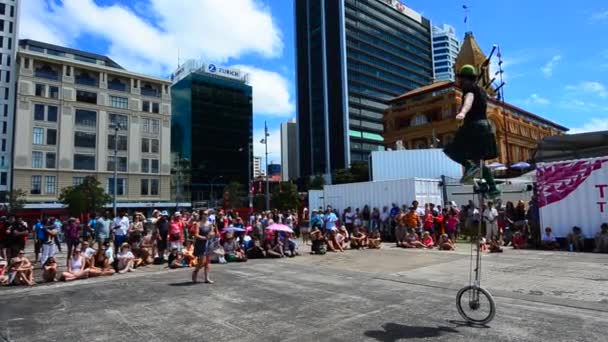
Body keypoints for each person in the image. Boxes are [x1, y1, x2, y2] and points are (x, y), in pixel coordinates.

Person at [443, 64, 499, 197]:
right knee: (478, 160)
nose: (458, 82)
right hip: (486, 127)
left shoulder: (469, 88)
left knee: (450, 149)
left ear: (464, 79)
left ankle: (469, 166)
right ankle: (493, 188)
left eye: (459, 79)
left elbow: (469, 99)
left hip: (473, 127)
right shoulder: (482, 91)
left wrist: (463, 111)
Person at [192, 211, 214, 284]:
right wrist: (205, 238)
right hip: (201, 244)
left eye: (207, 214)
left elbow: (213, 232)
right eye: (205, 214)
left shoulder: (210, 223)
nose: (206, 215)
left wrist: (211, 234)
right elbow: (196, 235)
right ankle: (195, 271)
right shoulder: (198, 224)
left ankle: (207, 278)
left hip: (208, 243)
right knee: (202, 262)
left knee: (207, 262)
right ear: (201, 215)